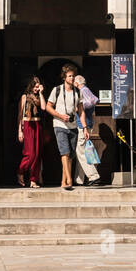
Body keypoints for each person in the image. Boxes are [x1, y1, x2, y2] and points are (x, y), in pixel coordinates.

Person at [46, 62, 80, 190]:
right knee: (64, 152)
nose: (72, 78)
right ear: (64, 77)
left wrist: (85, 128)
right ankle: (69, 179)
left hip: (73, 125)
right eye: (70, 76)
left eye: (73, 76)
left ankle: (63, 181)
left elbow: (80, 110)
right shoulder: (57, 90)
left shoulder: (77, 92)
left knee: (70, 155)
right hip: (59, 124)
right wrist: (60, 116)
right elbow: (48, 107)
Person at [16, 76, 46, 188]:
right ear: (31, 86)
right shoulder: (24, 97)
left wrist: (41, 93)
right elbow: (20, 114)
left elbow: (43, 107)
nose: (36, 89)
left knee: (37, 154)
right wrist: (20, 130)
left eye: (38, 87)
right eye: (35, 87)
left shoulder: (39, 96)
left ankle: (33, 180)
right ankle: (20, 172)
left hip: (37, 125)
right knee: (30, 154)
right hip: (27, 125)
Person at [73, 74, 101, 186]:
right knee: (81, 150)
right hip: (85, 124)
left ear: (76, 83)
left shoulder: (83, 90)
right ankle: (78, 179)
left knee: (80, 151)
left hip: (82, 124)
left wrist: (78, 107)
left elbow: (94, 100)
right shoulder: (85, 90)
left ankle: (94, 176)